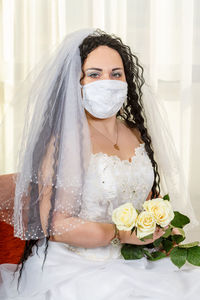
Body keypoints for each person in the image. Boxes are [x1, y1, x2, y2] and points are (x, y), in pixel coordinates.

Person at [0, 28, 200, 300]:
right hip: (78, 266)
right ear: (76, 83)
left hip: (137, 259)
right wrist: (118, 233)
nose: (108, 81)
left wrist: (163, 227)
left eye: (116, 74)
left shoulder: (136, 132)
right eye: (94, 74)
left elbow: (146, 196)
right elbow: (56, 226)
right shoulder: (65, 142)